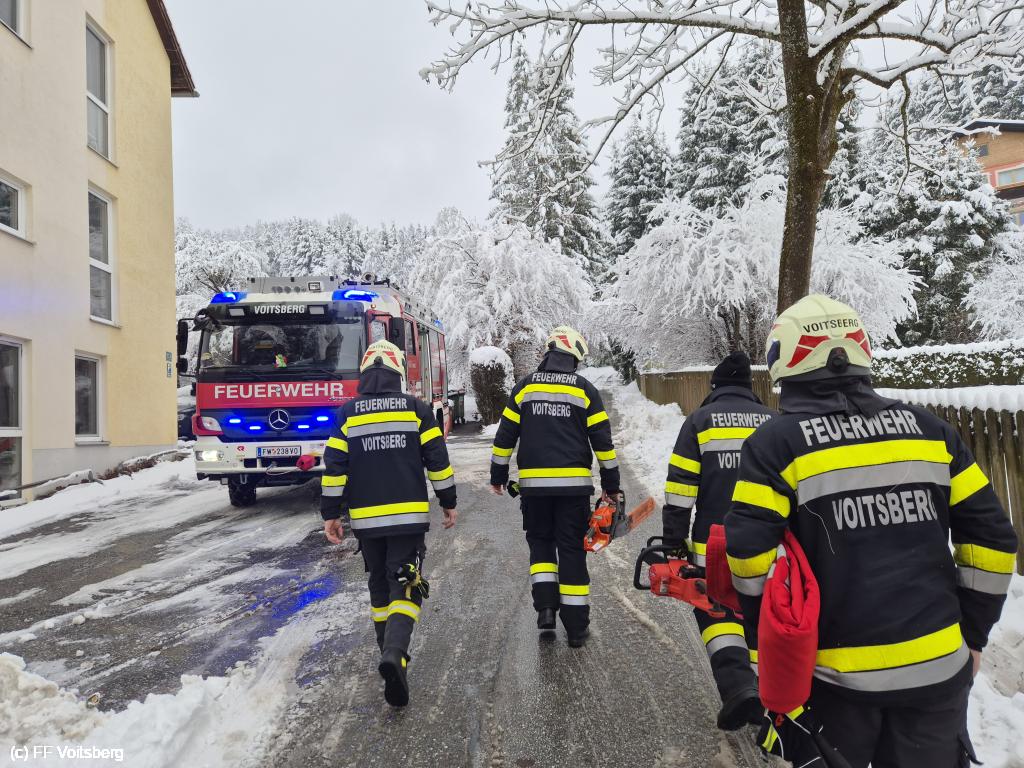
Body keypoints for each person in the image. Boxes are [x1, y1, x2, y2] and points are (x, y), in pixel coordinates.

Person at [725, 295, 1018, 767]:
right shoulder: (932, 432)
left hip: (834, 682)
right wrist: (974, 636)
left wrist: (771, 647)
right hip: (939, 673)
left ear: (789, 360)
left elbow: (747, 559)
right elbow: (993, 542)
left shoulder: (775, 445)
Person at [321, 340, 458, 707]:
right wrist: (448, 502)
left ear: (364, 374)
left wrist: (330, 514)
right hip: (408, 520)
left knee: (380, 586)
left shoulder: (347, 414)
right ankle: (395, 655)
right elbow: (437, 461)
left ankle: (388, 654)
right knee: (407, 585)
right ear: (399, 372)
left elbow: (334, 469)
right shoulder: (416, 410)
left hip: (367, 524)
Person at [661, 351, 775, 730]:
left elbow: (680, 490)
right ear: (749, 388)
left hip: (714, 544)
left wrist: (673, 541)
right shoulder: (775, 422)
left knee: (717, 611)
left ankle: (739, 685)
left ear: (714, 387)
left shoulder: (700, 421)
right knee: (760, 614)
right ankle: (768, 694)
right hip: (768, 544)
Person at [489, 326, 619, 647]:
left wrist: (498, 474)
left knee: (541, 546)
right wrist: (611, 485)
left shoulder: (524, 388)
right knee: (572, 551)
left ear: (548, 353)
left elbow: (505, 436)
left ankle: (546, 609)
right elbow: (603, 443)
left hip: (534, 491)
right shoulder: (585, 390)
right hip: (574, 491)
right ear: (573, 357)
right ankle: (576, 628)